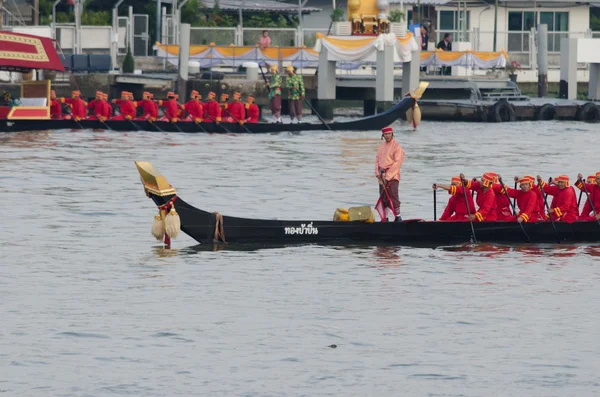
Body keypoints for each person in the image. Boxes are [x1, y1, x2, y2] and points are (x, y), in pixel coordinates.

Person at [375, 126, 405, 222]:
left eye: (389, 134)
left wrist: (388, 176)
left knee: (393, 196)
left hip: (392, 175)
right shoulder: (381, 146)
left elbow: (397, 163)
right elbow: (377, 160)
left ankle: (398, 217)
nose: (387, 136)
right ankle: (385, 218)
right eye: (385, 134)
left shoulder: (397, 147)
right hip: (382, 175)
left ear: (392, 134)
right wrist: (377, 173)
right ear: (382, 135)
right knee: (383, 197)